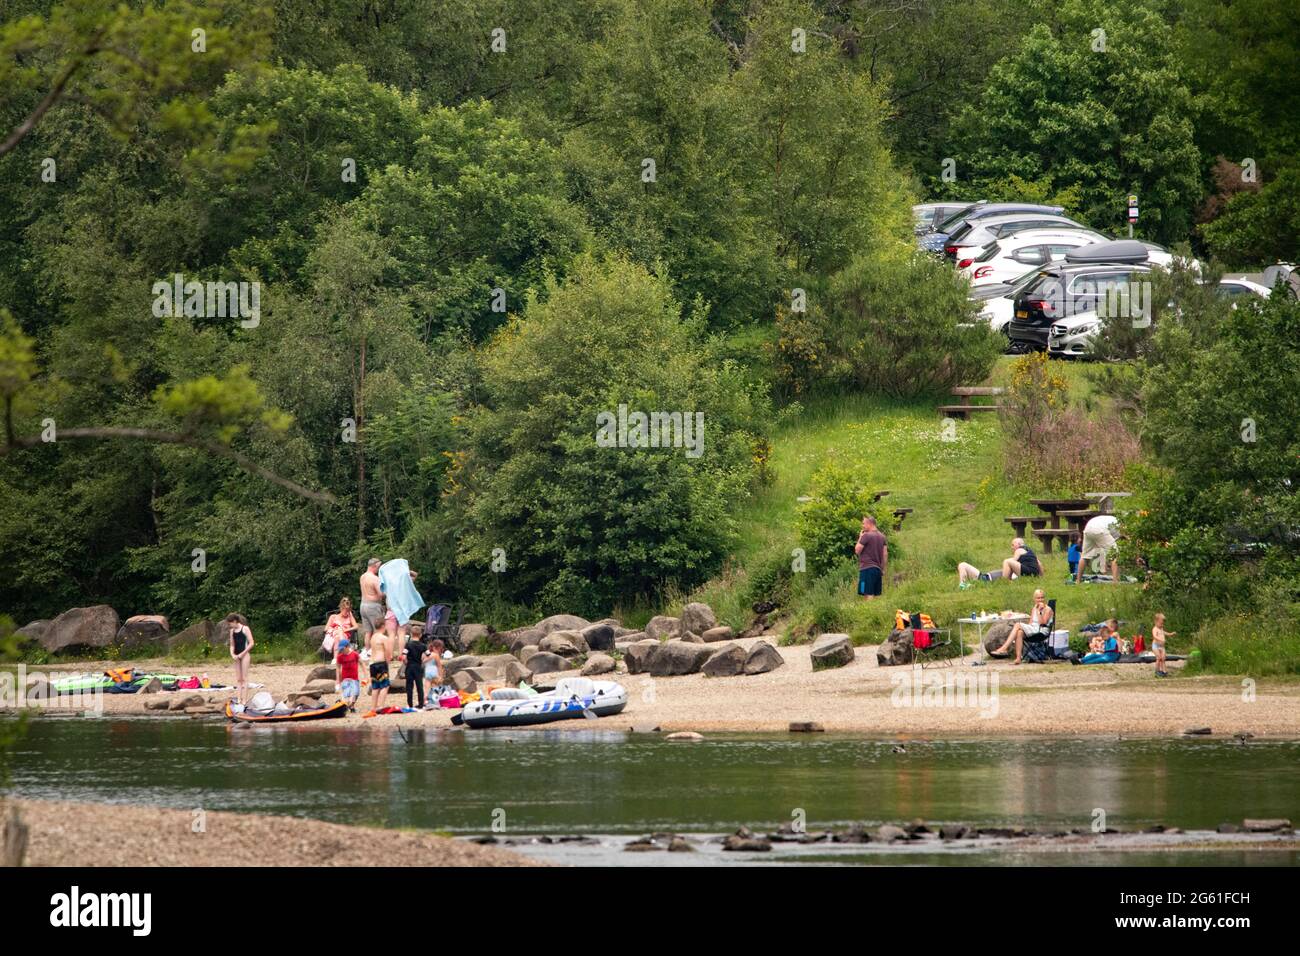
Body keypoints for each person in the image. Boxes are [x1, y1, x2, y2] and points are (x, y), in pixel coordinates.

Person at [992, 589, 1053, 664]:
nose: (1040, 600)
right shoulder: (1034, 608)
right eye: (1038, 598)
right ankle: (1018, 658)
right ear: (1034, 599)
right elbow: (1031, 623)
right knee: (1019, 632)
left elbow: (1043, 622)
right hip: (1034, 629)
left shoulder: (1048, 609)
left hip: (1042, 631)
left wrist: (1039, 611)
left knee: (1017, 625)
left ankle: (1004, 648)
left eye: (1042, 597)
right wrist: (1026, 628)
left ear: (1044, 598)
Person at [957, 538, 1042, 586]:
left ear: (1019, 544)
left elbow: (1012, 561)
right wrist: (1041, 576)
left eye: (1013, 545)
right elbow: (1039, 564)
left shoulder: (1019, 550)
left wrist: (1008, 565)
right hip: (984, 576)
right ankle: (962, 584)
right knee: (962, 565)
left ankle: (1004, 582)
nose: (1011, 547)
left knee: (1007, 561)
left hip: (986, 579)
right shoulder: (1030, 552)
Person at [1077, 514, 1120, 583]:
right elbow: (1126, 538)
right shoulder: (1121, 526)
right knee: (1115, 554)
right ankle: (1115, 581)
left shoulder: (1113, 520)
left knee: (1084, 556)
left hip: (1088, 528)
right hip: (1100, 529)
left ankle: (1078, 581)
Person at [854, 515, 888, 601]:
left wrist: (860, 537)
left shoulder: (866, 536)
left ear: (870, 524)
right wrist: (883, 569)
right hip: (877, 569)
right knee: (875, 594)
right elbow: (885, 554)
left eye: (863, 523)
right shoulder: (882, 536)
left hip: (866, 569)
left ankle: (868, 613)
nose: (862, 526)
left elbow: (857, 550)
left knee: (867, 593)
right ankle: (874, 612)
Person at [368, 612, 397, 711]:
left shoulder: (373, 637)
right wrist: (388, 661)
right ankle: (380, 705)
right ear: (383, 626)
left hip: (372, 664)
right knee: (385, 685)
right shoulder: (384, 638)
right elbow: (388, 652)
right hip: (381, 663)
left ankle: (373, 707)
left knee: (375, 686)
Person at [226, 613, 254, 704]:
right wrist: (232, 654)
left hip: (244, 655)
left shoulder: (245, 629)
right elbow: (232, 644)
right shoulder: (232, 631)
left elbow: (251, 643)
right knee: (239, 679)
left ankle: (244, 701)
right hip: (237, 656)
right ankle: (238, 699)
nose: (229, 625)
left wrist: (242, 653)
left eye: (230, 623)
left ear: (234, 621)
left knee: (245, 678)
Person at [359, 558, 385, 650]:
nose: (379, 569)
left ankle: (367, 651)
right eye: (378, 567)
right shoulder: (375, 578)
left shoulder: (362, 577)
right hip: (373, 606)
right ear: (374, 566)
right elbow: (381, 594)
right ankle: (375, 651)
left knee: (368, 632)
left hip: (363, 605)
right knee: (377, 630)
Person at [322, 597, 358, 661]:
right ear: (341, 608)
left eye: (348, 610)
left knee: (338, 636)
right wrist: (335, 629)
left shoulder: (349, 617)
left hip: (345, 636)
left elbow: (356, 626)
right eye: (345, 610)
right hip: (333, 636)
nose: (347, 612)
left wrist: (344, 630)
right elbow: (326, 629)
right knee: (337, 636)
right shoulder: (333, 617)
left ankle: (335, 659)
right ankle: (347, 650)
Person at [401, 629, 428, 709]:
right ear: (420, 635)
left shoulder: (408, 644)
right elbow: (428, 655)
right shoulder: (423, 645)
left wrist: (406, 662)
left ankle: (410, 704)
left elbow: (404, 656)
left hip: (409, 666)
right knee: (419, 685)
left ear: (411, 634)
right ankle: (420, 704)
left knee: (409, 686)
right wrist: (423, 660)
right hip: (418, 667)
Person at [335, 638, 361, 711]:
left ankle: (351, 705)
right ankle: (346, 704)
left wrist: (366, 676)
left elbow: (361, 663)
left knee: (356, 693)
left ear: (347, 647)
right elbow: (338, 668)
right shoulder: (340, 657)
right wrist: (338, 681)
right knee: (347, 692)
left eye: (342, 649)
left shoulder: (354, 654)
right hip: (345, 678)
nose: (341, 651)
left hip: (355, 678)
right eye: (340, 649)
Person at [424, 638, 448, 705]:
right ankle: (435, 699)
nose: (441, 651)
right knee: (436, 687)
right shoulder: (436, 655)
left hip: (427, 672)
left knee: (427, 688)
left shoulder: (428, 654)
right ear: (438, 648)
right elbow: (439, 666)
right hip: (434, 672)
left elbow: (423, 662)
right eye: (441, 649)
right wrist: (440, 675)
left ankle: (425, 700)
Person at [1152, 612, 1175, 678]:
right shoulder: (1155, 629)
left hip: (1162, 646)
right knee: (1158, 658)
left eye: (1163, 623)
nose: (1162, 625)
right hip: (1156, 646)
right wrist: (1160, 639)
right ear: (1156, 622)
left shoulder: (1161, 628)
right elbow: (1154, 636)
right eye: (1161, 623)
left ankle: (1164, 671)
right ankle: (1157, 671)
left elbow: (1164, 632)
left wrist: (1170, 634)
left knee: (1163, 659)